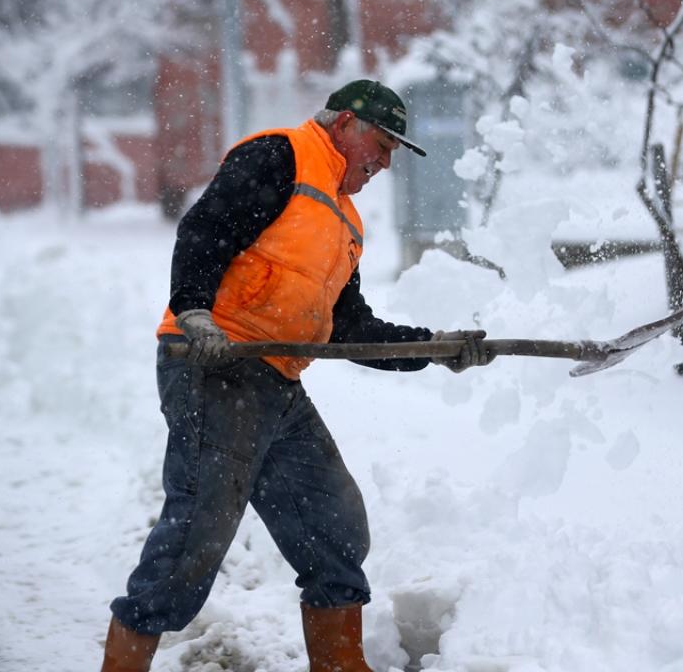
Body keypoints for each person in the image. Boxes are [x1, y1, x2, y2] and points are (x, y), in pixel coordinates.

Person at [100, 80, 494, 672]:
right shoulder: (280, 156)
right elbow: (205, 230)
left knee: (333, 525)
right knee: (193, 541)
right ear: (344, 126)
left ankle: (338, 665)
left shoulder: (344, 223)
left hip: (276, 382)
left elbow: (348, 327)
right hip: (216, 366)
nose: (385, 164)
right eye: (382, 147)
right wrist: (194, 310)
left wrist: (433, 347)